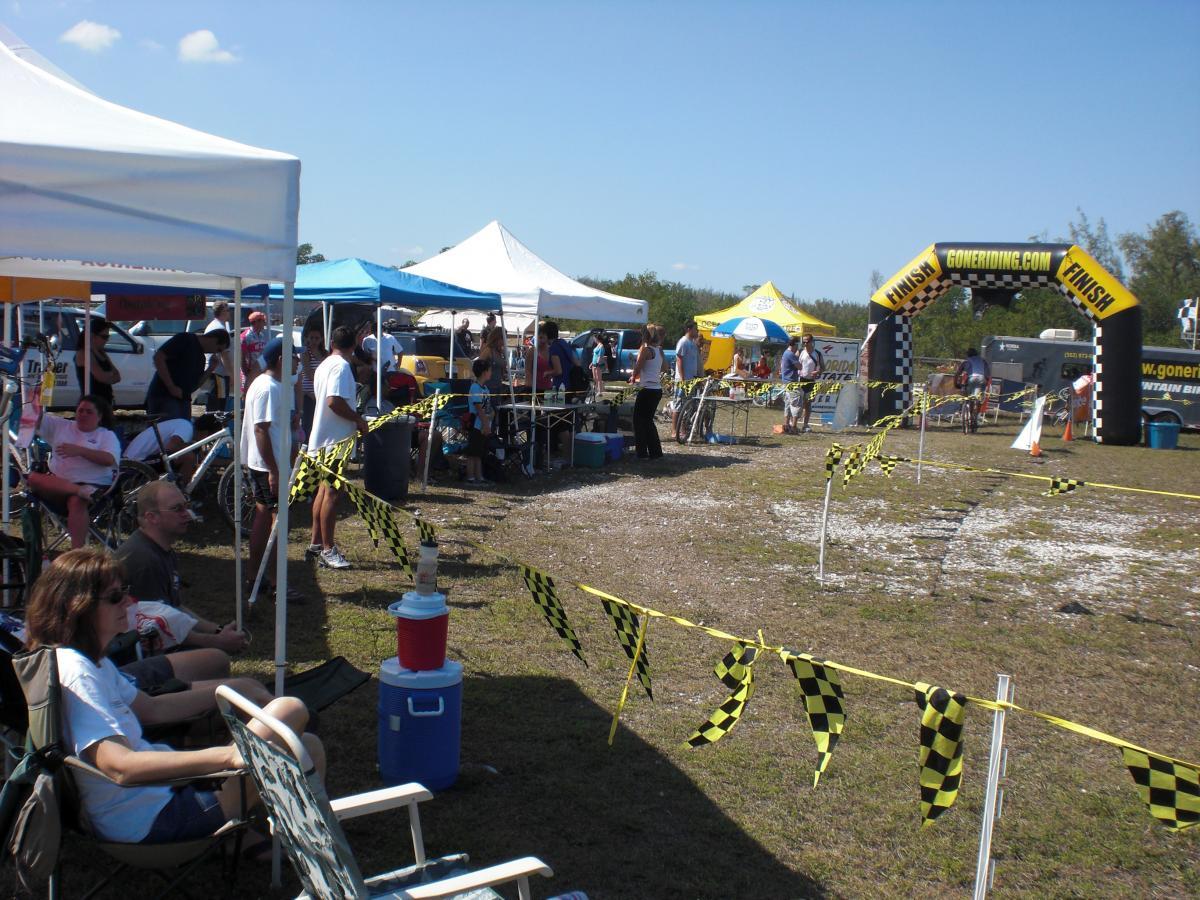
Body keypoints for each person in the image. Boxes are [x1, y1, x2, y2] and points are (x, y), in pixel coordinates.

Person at [24, 548, 323, 846]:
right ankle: (302, 849)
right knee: (289, 709)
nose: (127, 602)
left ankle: (299, 845)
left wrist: (230, 692)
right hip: (152, 819)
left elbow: (152, 708)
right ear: (80, 607)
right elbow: (120, 767)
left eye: (124, 592)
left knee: (307, 746)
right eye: (115, 597)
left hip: (159, 795)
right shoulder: (77, 673)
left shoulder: (90, 661)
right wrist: (231, 757)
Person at [116, 481, 253, 657]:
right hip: (137, 651)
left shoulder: (162, 549)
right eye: (177, 509)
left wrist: (217, 630)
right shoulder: (144, 561)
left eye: (186, 506)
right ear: (152, 517)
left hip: (155, 637)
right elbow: (158, 629)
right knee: (214, 659)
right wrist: (217, 642)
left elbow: (175, 608)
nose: (187, 514)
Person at [243, 337, 305, 599]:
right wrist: (275, 470)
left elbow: (269, 427)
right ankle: (277, 583)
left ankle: (255, 575)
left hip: (268, 464)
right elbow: (260, 430)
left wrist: (289, 426)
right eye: (295, 357)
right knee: (278, 523)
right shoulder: (268, 387)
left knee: (264, 517)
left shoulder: (273, 385)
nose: (298, 362)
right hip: (268, 466)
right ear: (281, 359)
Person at [307, 326, 370, 570]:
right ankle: (328, 549)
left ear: (331, 342)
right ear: (353, 346)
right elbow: (333, 402)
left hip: (323, 438)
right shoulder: (342, 367)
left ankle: (315, 544)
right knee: (332, 493)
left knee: (323, 491)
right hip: (334, 442)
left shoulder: (324, 364)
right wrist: (359, 419)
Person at [28, 395, 121, 548]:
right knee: (32, 478)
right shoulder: (61, 426)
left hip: (95, 486)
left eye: (89, 412)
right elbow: (34, 418)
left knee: (77, 502)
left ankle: (76, 552)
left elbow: (108, 460)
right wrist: (34, 395)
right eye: (80, 410)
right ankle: (81, 490)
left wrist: (79, 451)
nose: (83, 414)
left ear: (99, 416)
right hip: (59, 485)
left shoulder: (106, 435)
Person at [146, 328, 231, 421]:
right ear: (213, 339)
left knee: (184, 431)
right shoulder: (185, 339)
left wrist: (210, 369)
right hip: (164, 396)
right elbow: (159, 357)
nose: (215, 353)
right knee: (165, 432)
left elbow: (194, 386)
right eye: (218, 349)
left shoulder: (201, 358)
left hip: (184, 401)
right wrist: (171, 386)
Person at [123, 414, 220, 485]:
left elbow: (203, 458)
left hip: (138, 457)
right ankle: (180, 494)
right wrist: (191, 450)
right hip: (137, 461)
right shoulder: (186, 428)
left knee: (190, 456)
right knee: (190, 458)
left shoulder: (186, 425)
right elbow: (170, 448)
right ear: (206, 433)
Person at [629, 324, 664, 460]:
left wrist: (633, 376)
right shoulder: (659, 350)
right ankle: (656, 452)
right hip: (656, 389)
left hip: (647, 389)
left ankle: (642, 453)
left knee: (638, 421)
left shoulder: (646, 350)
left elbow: (637, 368)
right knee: (648, 421)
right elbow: (664, 367)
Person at [74, 316, 120, 408]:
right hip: (91, 405)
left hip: (105, 403)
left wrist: (109, 376)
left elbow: (118, 376)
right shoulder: (84, 353)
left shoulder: (101, 352)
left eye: (108, 337)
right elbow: (101, 377)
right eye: (104, 337)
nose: (107, 340)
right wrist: (111, 375)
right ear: (92, 336)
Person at [465, 357, 493, 484]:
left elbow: (488, 408)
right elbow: (479, 409)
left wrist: (491, 416)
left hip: (484, 424)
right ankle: (470, 477)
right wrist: (485, 424)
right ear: (484, 372)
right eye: (489, 370)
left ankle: (479, 476)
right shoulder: (475, 388)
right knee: (472, 453)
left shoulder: (486, 389)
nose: (491, 373)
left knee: (479, 453)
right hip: (476, 425)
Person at [203, 301, 233, 412]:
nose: (229, 313)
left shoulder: (214, 325)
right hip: (219, 373)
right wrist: (232, 375)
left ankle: (212, 426)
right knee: (219, 405)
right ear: (222, 312)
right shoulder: (219, 328)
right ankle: (214, 427)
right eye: (228, 310)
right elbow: (223, 354)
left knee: (216, 402)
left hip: (215, 372)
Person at [673, 321, 701, 436]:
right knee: (679, 404)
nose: (697, 331)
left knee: (688, 405)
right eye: (695, 329)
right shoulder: (683, 342)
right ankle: (675, 431)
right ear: (689, 329)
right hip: (683, 380)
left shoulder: (693, 344)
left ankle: (683, 429)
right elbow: (679, 359)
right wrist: (683, 379)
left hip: (692, 380)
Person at [300, 326, 327, 440]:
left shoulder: (325, 353)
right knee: (308, 424)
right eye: (311, 338)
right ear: (307, 339)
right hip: (309, 394)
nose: (314, 341)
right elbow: (308, 374)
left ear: (321, 339)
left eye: (316, 338)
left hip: (321, 394)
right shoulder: (305, 353)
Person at [796, 334, 824, 433]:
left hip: (811, 381)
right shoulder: (800, 352)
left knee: (808, 403)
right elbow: (794, 364)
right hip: (800, 380)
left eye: (807, 341)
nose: (805, 343)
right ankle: (793, 424)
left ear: (812, 342)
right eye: (803, 341)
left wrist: (817, 372)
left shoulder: (817, 354)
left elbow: (823, 367)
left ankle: (805, 424)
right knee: (797, 403)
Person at [239, 311, 269, 390]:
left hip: (260, 372)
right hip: (248, 373)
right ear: (256, 322)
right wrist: (247, 374)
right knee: (245, 395)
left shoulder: (262, 335)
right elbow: (241, 358)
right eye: (263, 321)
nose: (265, 323)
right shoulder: (245, 336)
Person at [780, 337, 802, 435]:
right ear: (795, 345)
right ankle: (794, 426)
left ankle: (786, 425)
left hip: (786, 382)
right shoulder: (790, 354)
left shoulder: (786, 353)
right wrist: (798, 356)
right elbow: (800, 367)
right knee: (796, 404)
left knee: (788, 404)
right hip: (792, 382)